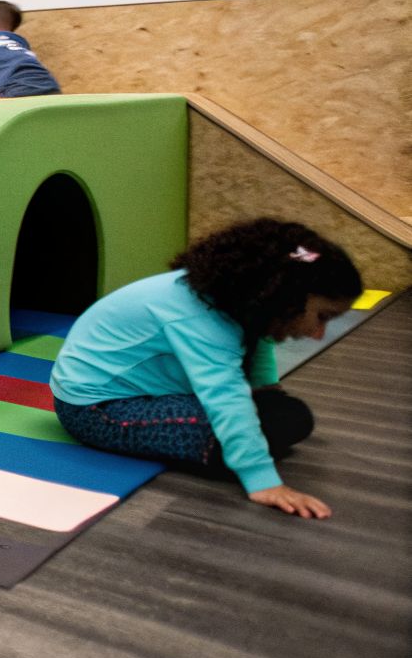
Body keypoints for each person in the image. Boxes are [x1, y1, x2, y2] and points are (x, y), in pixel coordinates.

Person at [51, 219, 360, 519]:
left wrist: (266, 394)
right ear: (287, 298)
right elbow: (223, 394)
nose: (319, 334)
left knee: (287, 414)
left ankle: (242, 436)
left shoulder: (238, 301)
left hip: (144, 393)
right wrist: (264, 481)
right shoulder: (199, 316)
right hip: (95, 410)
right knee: (268, 424)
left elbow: (259, 342)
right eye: (322, 317)